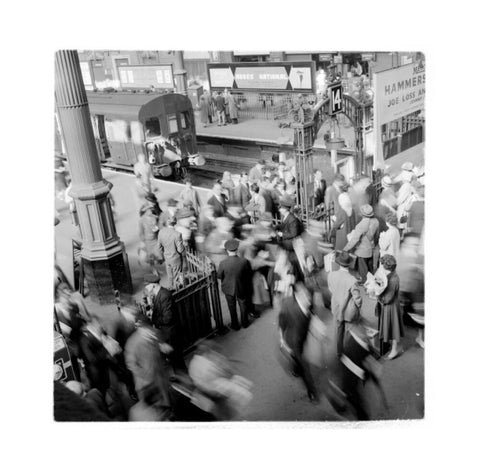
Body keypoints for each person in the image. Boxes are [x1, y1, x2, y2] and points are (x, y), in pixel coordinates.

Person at [124, 309, 172, 421]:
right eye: (147, 330)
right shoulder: (132, 343)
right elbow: (131, 364)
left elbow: (159, 344)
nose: (151, 332)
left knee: (165, 404)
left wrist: (163, 347)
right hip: (146, 384)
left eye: (150, 329)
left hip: (160, 377)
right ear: (140, 329)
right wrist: (146, 375)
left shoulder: (155, 333)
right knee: (153, 411)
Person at [278, 282, 319, 403]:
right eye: (305, 297)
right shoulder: (288, 305)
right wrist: (281, 338)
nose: (309, 299)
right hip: (293, 342)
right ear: (298, 296)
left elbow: (311, 314)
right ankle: (312, 392)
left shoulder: (309, 303)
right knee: (305, 368)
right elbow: (281, 322)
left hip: (302, 337)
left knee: (296, 361)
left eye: (309, 296)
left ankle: (295, 368)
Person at [327, 251, 363, 357]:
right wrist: (359, 305)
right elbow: (357, 299)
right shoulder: (352, 280)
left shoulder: (331, 275)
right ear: (349, 264)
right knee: (351, 329)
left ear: (339, 263)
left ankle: (339, 351)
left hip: (336, 307)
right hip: (348, 311)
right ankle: (351, 350)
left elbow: (331, 289)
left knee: (339, 329)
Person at [217, 239, 254, 330]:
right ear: (237, 249)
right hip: (242, 287)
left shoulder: (222, 263)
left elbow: (219, 276)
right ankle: (245, 323)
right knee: (243, 305)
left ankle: (235, 325)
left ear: (226, 251)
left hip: (228, 288)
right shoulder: (244, 261)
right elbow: (249, 274)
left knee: (231, 306)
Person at [376, 254, 403, 359]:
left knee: (393, 327)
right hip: (392, 304)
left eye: (384, 267)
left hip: (390, 306)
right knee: (392, 326)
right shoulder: (392, 275)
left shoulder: (393, 280)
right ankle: (392, 346)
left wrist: (377, 295)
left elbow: (387, 299)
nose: (382, 269)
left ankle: (394, 349)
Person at [343, 204, 379, 283]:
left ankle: (365, 285)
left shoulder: (360, 225)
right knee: (370, 269)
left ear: (362, 214)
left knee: (363, 270)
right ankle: (372, 283)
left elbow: (354, 240)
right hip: (372, 248)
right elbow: (376, 236)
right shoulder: (376, 221)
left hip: (362, 251)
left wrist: (346, 249)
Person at [157, 215, 185, 288]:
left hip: (167, 258)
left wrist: (164, 255)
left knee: (170, 277)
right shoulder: (177, 234)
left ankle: (170, 289)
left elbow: (159, 247)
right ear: (175, 223)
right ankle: (176, 292)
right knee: (176, 277)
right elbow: (180, 250)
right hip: (176, 259)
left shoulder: (161, 232)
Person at [138, 201, 161, 275]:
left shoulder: (154, 218)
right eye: (149, 210)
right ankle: (154, 270)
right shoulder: (141, 220)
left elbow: (158, 227)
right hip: (147, 241)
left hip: (155, 239)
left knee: (158, 255)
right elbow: (141, 232)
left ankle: (156, 268)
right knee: (151, 257)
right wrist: (143, 240)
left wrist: (157, 229)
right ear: (145, 211)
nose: (151, 211)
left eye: (151, 209)